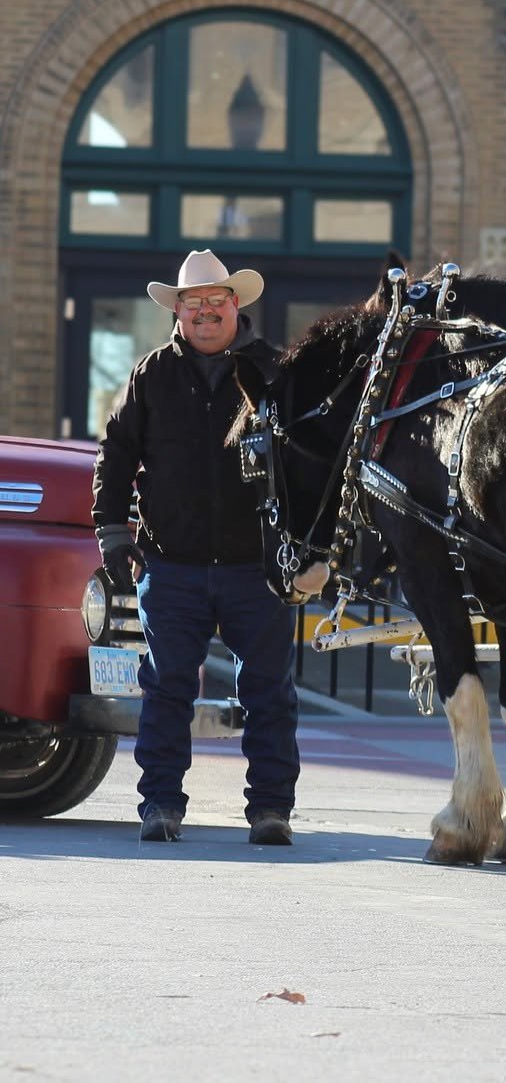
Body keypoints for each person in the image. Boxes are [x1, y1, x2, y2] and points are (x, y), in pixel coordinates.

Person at [91, 249, 297, 845]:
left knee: (268, 691)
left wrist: (311, 550)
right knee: (167, 687)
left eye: (215, 301)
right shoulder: (151, 374)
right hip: (171, 563)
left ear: (236, 304)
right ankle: (159, 804)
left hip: (256, 564)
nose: (205, 312)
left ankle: (271, 810)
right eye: (193, 304)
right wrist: (112, 530)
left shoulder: (276, 372)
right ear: (177, 312)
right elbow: (116, 453)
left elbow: (312, 464)